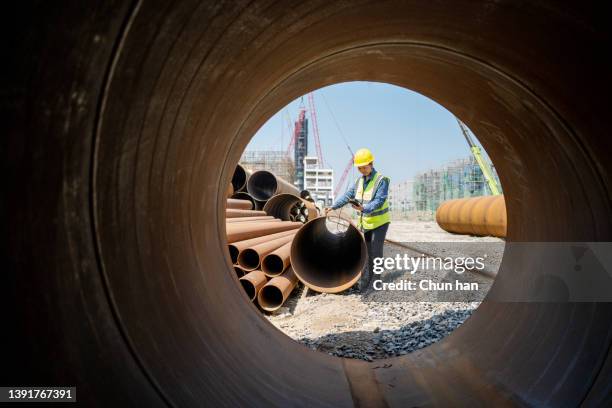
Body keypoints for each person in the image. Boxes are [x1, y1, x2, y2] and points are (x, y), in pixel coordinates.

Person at [325, 148, 390, 292]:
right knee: (368, 252)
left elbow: (379, 200)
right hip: (366, 223)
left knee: (376, 250)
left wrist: (363, 208)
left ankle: (376, 282)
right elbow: (347, 196)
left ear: (371, 164)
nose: (362, 170)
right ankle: (369, 278)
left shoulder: (381, 180)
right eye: (359, 168)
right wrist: (333, 206)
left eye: (364, 167)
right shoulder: (358, 182)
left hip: (380, 222)